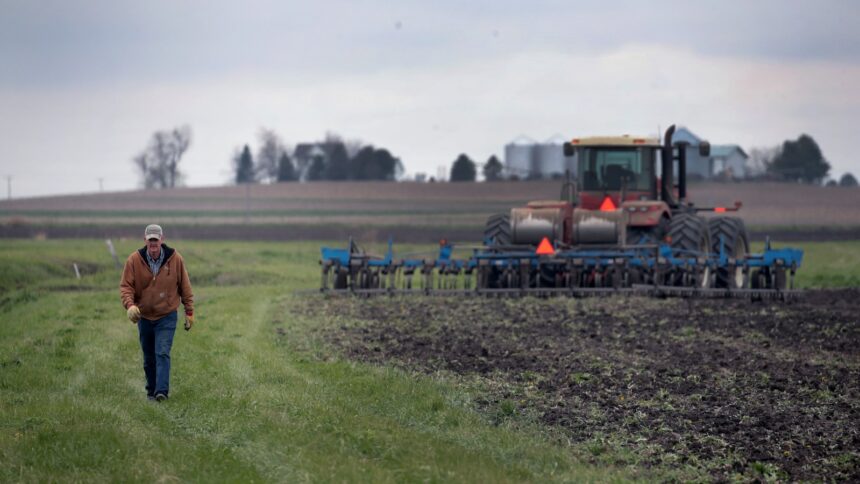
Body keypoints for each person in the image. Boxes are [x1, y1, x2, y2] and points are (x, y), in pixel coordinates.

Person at [120, 224, 194, 402]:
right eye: (150, 240)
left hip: (166, 315)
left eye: (156, 240)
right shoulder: (133, 260)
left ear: (162, 239)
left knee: (162, 352)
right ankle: (151, 391)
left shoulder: (175, 259)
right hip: (143, 316)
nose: (153, 243)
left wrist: (189, 311)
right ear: (145, 240)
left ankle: (161, 392)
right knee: (149, 357)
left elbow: (185, 286)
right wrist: (130, 305)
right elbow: (126, 287)